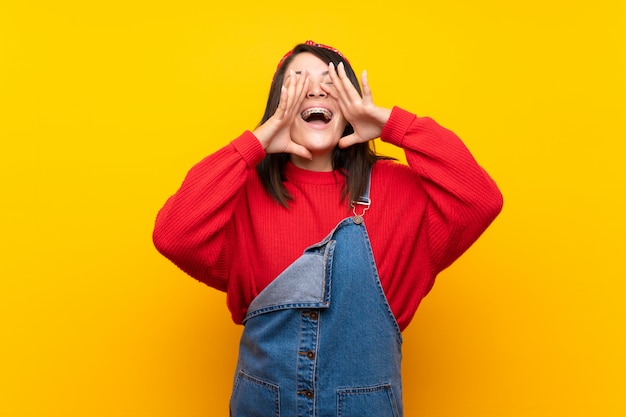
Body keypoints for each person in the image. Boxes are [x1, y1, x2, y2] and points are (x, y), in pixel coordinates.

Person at [152, 40, 503, 417]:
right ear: (278, 107)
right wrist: (254, 144)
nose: (315, 89)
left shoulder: (398, 193)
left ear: (350, 105)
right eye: (298, 81)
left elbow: (481, 198)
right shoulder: (242, 196)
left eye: (330, 82)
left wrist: (391, 125)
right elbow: (173, 233)